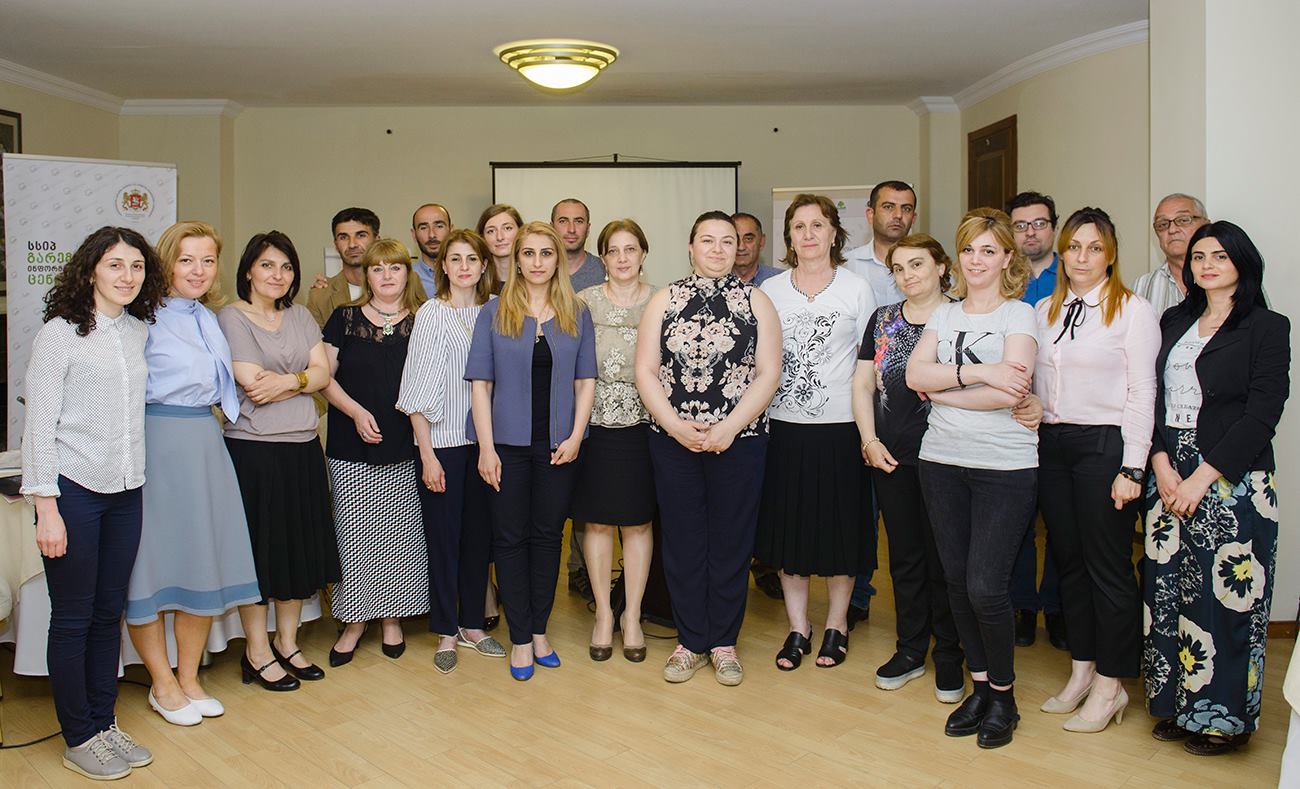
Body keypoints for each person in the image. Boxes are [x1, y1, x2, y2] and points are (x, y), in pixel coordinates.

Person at [22, 226, 165, 779]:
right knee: (74, 617)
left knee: (110, 614)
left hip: (126, 491)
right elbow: (38, 428)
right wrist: (47, 509)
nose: (127, 276)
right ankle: (78, 735)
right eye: (115, 265)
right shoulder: (59, 335)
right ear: (90, 271)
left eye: (136, 266)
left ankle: (104, 724)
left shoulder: (136, 331)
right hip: (74, 491)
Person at [1143, 221, 1290, 756]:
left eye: (1220, 256)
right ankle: (1178, 707)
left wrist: (1204, 476)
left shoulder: (1267, 326)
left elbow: (1263, 412)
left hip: (1233, 477)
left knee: (1225, 601)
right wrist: (1161, 465)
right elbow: (1151, 396)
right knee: (1168, 593)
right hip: (1168, 473)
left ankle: (1223, 720)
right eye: (1199, 256)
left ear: (1242, 264)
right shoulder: (1173, 320)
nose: (1206, 265)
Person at [906, 207, 1039, 749]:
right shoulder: (945, 313)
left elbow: (1012, 392)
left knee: (986, 586)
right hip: (941, 460)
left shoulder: (1019, 315)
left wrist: (943, 391)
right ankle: (980, 687)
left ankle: (1005, 696)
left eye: (989, 250)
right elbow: (914, 374)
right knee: (958, 581)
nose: (976, 260)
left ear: (1007, 257)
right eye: (968, 250)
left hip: (1004, 466)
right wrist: (980, 372)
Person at [635, 211, 781, 687]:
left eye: (727, 241)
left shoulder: (757, 301)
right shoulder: (664, 299)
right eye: (707, 240)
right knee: (683, 540)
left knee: (731, 540)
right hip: (673, 441)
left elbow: (768, 373)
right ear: (691, 246)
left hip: (740, 441)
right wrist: (676, 427)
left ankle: (723, 642)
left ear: (739, 248)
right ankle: (690, 641)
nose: (718, 249)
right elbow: (645, 371)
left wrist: (729, 428)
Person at [125, 221, 260, 728]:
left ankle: (188, 678)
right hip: (156, 442)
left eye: (207, 260)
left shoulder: (207, 317)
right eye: (186, 260)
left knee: (200, 561)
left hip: (205, 440)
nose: (199, 270)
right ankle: (161, 682)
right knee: (151, 566)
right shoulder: (140, 319)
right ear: (165, 262)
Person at [1031, 208, 1159, 732]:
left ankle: (1112, 684)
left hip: (1106, 447)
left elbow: (1143, 392)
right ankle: (1082, 671)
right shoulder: (1043, 310)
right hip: (1052, 444)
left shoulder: (1132, 310)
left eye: (1094, 248)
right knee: (1069, 563)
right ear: (1062, 252)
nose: (1082, 257)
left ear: (1110, 255)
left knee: (1108, 566)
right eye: (1074, 247)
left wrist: (1133, 467)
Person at [466, 221, 596, 681]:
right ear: (516, 260)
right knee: (509, 540)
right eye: (529, 253)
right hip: (505, 447)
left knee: (548, 538)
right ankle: (520, 637)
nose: (537, 262)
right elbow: (480, 386)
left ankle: (540, 631)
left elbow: (585, 381)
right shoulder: (493, 312)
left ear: (557, 259)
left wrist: (576, 436)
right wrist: (485, 449)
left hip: (559, 446)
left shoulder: (576, 312)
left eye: (546, 253)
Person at [755, 194, 874, 671]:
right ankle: (798, 626)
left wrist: (870, 433)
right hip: (784, 428)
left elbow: (870, 366)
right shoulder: (770, 290)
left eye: (818, 225)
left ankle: (837, 625)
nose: (808, 234)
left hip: (841, 429)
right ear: (789, 236)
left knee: (840, 532)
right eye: (799, 226)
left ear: (833, 233)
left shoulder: (857, 288)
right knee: (791, 533)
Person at [219, 231, 339, 690]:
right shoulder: (232, 317)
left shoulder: (302, 315)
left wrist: (291, 381)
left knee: (296, 551)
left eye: (286, 267)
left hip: (302, 448)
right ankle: (256, 650)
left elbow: (323, 373)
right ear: (249, 270)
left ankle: (288, 642)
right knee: (260, 554)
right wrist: (304, 379)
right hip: (253, 451)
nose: (278, 275)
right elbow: (253, 382)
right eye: (267, 265)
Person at [850, 233, 965, 702]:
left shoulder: (962, 316)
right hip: (892, 458)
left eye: (917, 264)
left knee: (947, 560)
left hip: (951, 458)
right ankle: (911, 648)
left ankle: (950, 654)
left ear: (941, 266)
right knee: (906, 558)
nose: (907, 275)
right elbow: (862, 385)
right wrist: (869, 440)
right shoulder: (883, 320)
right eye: (898, 268)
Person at [397, 229, 504, 674]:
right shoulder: (431, 314)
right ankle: (445, 630)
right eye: (455, 259)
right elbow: (415, 389)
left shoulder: (496, 311)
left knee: (479, 538)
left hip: (486, 444)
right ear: (443, 266)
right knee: (444, 539)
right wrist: (427, 454)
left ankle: (473, 625)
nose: (463, 267)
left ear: (484, 266)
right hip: (442, 444)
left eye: (471, 259)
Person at [320, 238, 430, 666]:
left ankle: (391, 618)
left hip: (407, 444)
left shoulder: (423, 320)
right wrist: (355, 412)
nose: (387, 275)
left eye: (395, 267)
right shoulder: (343, 318)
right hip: (351, 445)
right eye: (377, 268)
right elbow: (323, 377)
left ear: (408, 273)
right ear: (366, 275)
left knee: (400, 538)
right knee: (354, 538)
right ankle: (354, 621)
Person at [572, 219, 657, 663]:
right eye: (613, 250)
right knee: (599, 523)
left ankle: (633, 616)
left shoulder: (662, 301)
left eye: (631, 249)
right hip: (595, 427)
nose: (623, 258)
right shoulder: (583, 302)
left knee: (638, 523)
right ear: (602, 258)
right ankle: (605, 614)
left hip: (646, 428)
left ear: (643, 254)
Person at [844, 179, 918, 626]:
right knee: (862, 509)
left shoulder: (926, 262)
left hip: (917, 412)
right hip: (860, 403)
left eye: (906, 208)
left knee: (912, 518)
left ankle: (923, 607)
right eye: (889, 207)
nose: (898, 215)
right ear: (870, 214)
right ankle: (858, 595)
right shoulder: (848, 267)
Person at [1005, 190, 1067, 650]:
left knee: (1062, 522)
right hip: (1013, 415)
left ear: (1053, 227)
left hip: (1064, 416)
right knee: (1018, 521)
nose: (1030, 233)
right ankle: (1023, 605)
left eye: (1039, 223)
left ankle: (1058, 608)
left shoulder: (1075, 274)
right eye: (1021, 225)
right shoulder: (1001, 276)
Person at [550, 198, 603, 600]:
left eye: (578, 221)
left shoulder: (603, 269)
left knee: (587, 492)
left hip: (591, 396)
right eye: (563, 221)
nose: (571, 228)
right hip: (548, 396)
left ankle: (581, 568)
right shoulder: (540, 268)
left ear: (588, 227)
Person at [309, 207, 428, 326]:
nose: (352, 244)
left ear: (377, 240)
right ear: (336, 244)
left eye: (361, 235)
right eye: (343, 237)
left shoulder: (410, 281)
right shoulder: (320, 296)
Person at [1132, 193, 1209, 318]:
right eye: (1162, 224)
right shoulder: (1141, 287)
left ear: (1206, 225)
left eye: (1183, 220)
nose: (1172, 230)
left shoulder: (1225, 278)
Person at [476, 203, 523, 289]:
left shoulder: (533, 279)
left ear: (521, 231)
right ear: (482, 238)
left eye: (507, 228)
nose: (500, 237)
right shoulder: (474, 282)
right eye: (491, 231)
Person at [411, 203, 453, 297]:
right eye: (423, 228)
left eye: (439, 226)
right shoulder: (406, 278)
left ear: (451, 230)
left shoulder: (467, 274)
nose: (431, 235)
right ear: (414, 235)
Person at [732, 212, 780, 286]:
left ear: (761, 241)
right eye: (735, 239)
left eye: (748, 239)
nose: (741, 247)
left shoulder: (781, 280)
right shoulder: (714, 284)